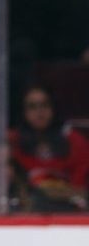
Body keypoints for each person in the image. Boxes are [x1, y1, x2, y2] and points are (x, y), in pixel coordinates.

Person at [10, 85, 89, 213]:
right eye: (32, 107)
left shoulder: (75, 141)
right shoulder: (13, 142)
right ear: (23, 111)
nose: (39, 112)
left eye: (45, 105)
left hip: (69, 208)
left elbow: (81, 188)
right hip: (26, 209)